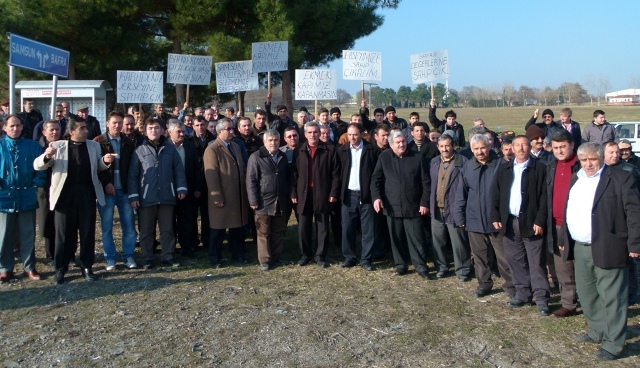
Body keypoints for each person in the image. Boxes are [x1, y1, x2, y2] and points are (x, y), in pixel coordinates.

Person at [560, 142, 640, 361]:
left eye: (592, 159)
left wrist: (635, 244)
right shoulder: (577, 178)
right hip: (581, 247)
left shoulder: (621, 178)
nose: (588, 164)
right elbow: (569, 209)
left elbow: (634, 212)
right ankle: (597, 330)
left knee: (613, 296)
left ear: (602, 158)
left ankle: (614, 343)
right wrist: (564, 239)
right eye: (584, 160)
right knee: (588, 294)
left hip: (609, 245)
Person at [35, 119, 115, 284]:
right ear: (71, 131)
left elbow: (98, 166)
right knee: (63, 233)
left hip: (86, 193)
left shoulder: (93, 146)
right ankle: (61, 268)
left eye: (86, 128)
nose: (86, 131)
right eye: (82, 128)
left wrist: (105, 161)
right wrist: (47, 156)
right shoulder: (58, 146)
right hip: (64, 195)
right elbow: (38, 165)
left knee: (87, 231)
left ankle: (87, 266)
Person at [491, 135, 550, 315]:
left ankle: (541, 298)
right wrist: (495, 216)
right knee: (515, 261)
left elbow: (544, 197)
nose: (521, 148)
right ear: (512, 148)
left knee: (536, 263)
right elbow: (495, 194)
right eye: (517, 145)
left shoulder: (539, 168)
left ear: (529, 146)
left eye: (524, 145)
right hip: (510, 222)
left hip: (531, 223)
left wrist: (540, 220)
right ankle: (523, 294)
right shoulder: (504, 168)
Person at [456, 134, 515, 298]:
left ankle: (511, 286)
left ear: (489, 146)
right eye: (476, 149)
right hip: (474, 220)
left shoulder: (500, 165)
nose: (480, 152)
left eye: (483, 147)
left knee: (503, 256)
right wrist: (460, 217)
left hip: (497, 221)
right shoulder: (467, 167)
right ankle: (484, 284)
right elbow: (461, 194)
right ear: (471, 148)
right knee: (480, 256)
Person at [371, 130, 434, 279]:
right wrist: (376, 197)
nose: (401, 145)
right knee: (396, 238)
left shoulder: (417, 157)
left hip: (413, 207)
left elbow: (426, 183)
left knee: (417, 239)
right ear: (391, 145)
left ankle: (420, 266)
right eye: (398, 142)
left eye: (403, 142)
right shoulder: (384, 157)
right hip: (392, 207)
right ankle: (400, 264)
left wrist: (425, 202)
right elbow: (376, 180)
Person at [128, 118, 187, 270]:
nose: (153, 131)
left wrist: (181, 188)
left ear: (162, 130)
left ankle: (168, 256)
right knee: (146, 230)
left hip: (167, 196)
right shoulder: (139, 150)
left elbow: (178, 170)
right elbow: (133, 175)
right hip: (147, 197)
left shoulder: (170, 149)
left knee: (167, 229)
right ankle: (148, 258)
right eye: (150, 129)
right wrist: (134, 196)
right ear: (145, 131)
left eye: (156, 128)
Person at [0, 115, 46, 282]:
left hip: (27, 196)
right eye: (12, 125)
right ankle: (5, 267)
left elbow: (41, 168)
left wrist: (35, 185)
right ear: (5, 127)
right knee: (4, 235)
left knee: (27, 234)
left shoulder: (33, 146)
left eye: (18, 125)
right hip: (4, 198)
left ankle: (29, 266)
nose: (15, 129)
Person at [292, 122, 341, 268]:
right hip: (304, 193)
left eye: (315, 132)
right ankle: (305, 254)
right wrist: (293, 192)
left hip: (323, 193)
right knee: (304, 226)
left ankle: (320, 255)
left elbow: (336, 174)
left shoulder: (330, 150)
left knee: (322, 226)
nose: (313, 135)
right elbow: (294, 175)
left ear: (320, 133)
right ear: (305, 134)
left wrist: (333, 192)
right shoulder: (299, 151)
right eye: (310, 132)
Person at [204, 118, 251, 267]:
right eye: (228, 129)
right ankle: (215, 258)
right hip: (223, 196)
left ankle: (237, 253)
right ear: (219, 132)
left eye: (232, 128)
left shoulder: (236, 146)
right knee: (218, 229)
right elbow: (211, 176)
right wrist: (217, 196)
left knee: (237, 228)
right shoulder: (212, 150)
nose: (232, 131)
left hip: (237, 195)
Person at [94, 112, 138, 270]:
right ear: (107, 123)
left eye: (120, 122)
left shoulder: (128, 142)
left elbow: (133, 169)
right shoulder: (98, 142)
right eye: (114, 122)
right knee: (107, 226)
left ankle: (128, 255)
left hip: (124, 190)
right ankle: (110, 258)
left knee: (129, 226)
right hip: (107, 191)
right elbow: (95, 168)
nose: (117, 125)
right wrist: (106, 183)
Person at [545, 129, 580, 317]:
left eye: (563, 147)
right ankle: (569, 303)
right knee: (562, 266)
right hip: (557, 224)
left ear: (572, 145)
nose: (559, 151)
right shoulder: (551, 166)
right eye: (556, 147)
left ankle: (590, 300)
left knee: (581, 265)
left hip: (578, 225)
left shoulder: (581, 165)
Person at [246, 129, 293, 271]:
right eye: (270, 140)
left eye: (276, 140)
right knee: (263, 232)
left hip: (280, 201)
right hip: (263, 201)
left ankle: (277, 256)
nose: (273, 143)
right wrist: (253, 200)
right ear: (265, 141)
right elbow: (251, 180)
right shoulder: (256, 157)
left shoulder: (283, 157)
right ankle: (265, 259)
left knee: (278, 230)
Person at [337, 123, 378, 271]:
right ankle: (349, 257)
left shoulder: (371, 149)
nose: (352, 138)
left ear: (361, 134)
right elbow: (337, 174)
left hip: (366, 196)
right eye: (349, 135)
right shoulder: (341, 150)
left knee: (368, 230)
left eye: (355, 134)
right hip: (348, 195)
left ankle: (366, 259)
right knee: (347, 228)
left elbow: (376, 174)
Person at [429, 134, 470, 281]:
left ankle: (463, 269)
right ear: (438, 147)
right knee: (438, 241)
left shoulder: (463, 162)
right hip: (437, 208)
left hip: (454, 208)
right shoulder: (434, 162)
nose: (444, 149)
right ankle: (441, 267)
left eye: (447, 145)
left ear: (453, 145)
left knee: (458, 242)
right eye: (441, 146)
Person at [166, 120, 202, 258]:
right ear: (170, 133)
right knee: (170, 222)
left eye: (183, 131)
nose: (182, 134)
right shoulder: (165, 146)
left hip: (188, 190)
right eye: (178, 132)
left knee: (186, 220)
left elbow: (197, 169)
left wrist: (197, 188)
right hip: (169, 191)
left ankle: (187, 247)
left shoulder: (190, 146)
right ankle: (171, 248)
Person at [36, 120, 61, 261]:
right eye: (51, 130)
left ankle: (66, 254)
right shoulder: (38, 147)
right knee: (48, 223)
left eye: (57, 129)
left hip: (62, 189)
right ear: (44, 132)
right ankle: (50, 255)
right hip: (45, 189)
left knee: (63, 223)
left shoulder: (64, 145)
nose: (54, 132)